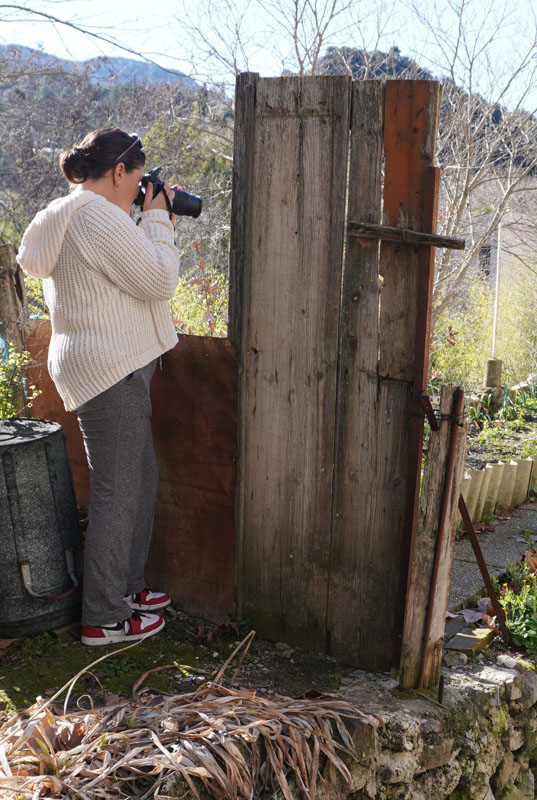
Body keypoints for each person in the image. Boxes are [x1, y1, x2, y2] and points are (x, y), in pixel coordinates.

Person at [17, 128, 180, 645]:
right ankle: (105, 617)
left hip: (101, 365)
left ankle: (125, 590)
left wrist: (148, 219)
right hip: (111, 370)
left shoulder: (69, 214)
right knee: (118, 491)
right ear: (118, 172)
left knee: (140, 479)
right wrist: (158, 219)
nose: (137, 192)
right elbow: (160, 281)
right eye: (136, 182)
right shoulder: (97, 216)